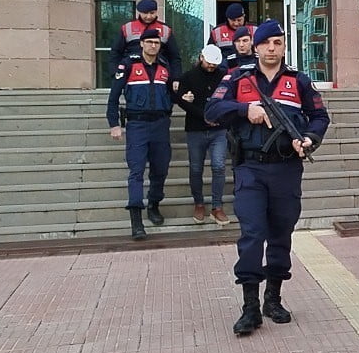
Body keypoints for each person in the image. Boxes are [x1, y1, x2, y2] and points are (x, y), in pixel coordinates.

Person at [205, 19, 329, 336]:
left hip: (287, 168)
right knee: (252, 234)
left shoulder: (299, 81)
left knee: (280, 233)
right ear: (256, 47)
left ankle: (273, 299)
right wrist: (245, 110)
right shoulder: (238, 78)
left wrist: (309, 139)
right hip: (250, 168)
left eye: (278, 42)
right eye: (266, 43)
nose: (272, 48)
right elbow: (212, 110)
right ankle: (250, 308)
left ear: (284, 46)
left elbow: (319, 117)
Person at [107, 28, 175, 240]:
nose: (153, 45)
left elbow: (171, 94)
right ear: (142, 44)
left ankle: (154, 204)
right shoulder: (128, 65)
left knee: (160, 169)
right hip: (137, 125)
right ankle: (136, 221)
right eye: (150, 42)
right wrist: (114, 124)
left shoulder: (165, 66)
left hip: (161, 126)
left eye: (156, 42)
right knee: (136, 172)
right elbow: (114, 96)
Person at [175, 44, 231, 226]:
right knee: (196, 168)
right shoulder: (189, 77)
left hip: (218, 130)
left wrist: (220, 116)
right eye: (208, 62)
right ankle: (199, 202)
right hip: (196, 129)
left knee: (218, 166)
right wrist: (203, 115)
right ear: (201, 58)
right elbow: (180, 100)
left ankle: (217, 206)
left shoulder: (223, 77)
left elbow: (229, 99)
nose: (211, 66)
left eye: (214, 64)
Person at [108, 0, 182, 78]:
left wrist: (176, 77)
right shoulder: (127, 28)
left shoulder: (165, 29)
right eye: (145, 13)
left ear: (156, 12)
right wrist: (115, 72)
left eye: (152, 13)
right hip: (131, 72)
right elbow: (115, 52)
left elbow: (174, 57)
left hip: (159, 73)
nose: (149, 16)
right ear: (139, 12)